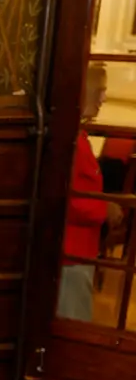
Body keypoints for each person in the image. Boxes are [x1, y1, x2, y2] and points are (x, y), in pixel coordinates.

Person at [57, 62, 122, 322]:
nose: (104, 98)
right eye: (100, 90)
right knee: (73, 323)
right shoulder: (69, 138)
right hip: (69, 253)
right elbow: (67, 198)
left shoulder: (78, 134)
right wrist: (104, 208)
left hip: (79, 249)